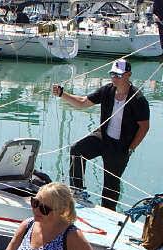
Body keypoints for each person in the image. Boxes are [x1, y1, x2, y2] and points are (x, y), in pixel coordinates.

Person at [52, 60, 150, 211]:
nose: (114, 78)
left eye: (118, 75)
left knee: (110, 185)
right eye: (112, 74)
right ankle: (77, 192)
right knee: (77, 150)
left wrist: (131, 148)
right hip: (103, 137)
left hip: (121, 146)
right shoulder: (107, 91)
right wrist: (62, 94)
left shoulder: (138, 99)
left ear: (128, 75)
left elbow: (144, 127)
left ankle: (108, 213)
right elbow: (83, 102)